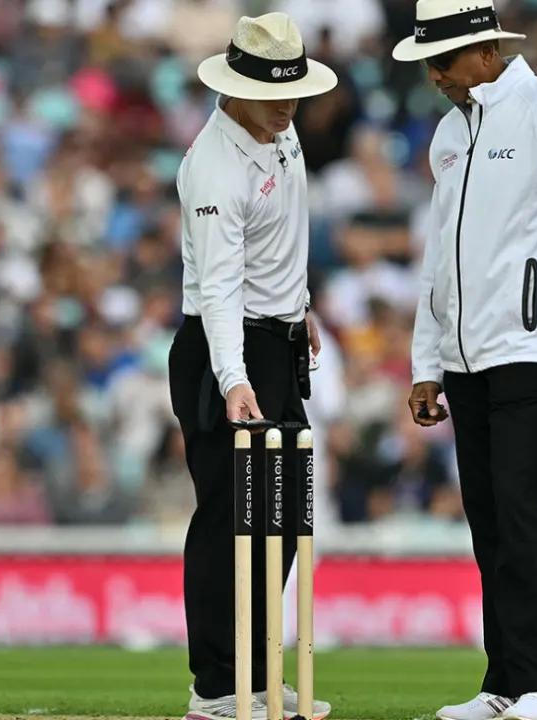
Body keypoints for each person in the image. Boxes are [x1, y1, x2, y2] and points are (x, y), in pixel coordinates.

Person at [392, 2, 537, 720]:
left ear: (485, 49)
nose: (434, 75)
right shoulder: (450, 133)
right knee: (488, 515)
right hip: (465, 354)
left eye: (443, 60)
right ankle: (502, 686)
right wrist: (425, 361)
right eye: (429, 62)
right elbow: (437, 258)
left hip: (534, 346)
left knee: (518, 508)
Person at [169, 13, 335, 720]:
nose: (288, 109)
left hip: (277, 338)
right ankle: (215, 687)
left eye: (294, 94)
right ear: (234, 90)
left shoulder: (280, 127)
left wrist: (300, 309)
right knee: (229, 519)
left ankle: (260, 672)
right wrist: (235, 378)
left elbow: (282, 243)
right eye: (275, 96)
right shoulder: (214, 164)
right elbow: (219, 287)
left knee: (283, 516)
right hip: (219, 347)